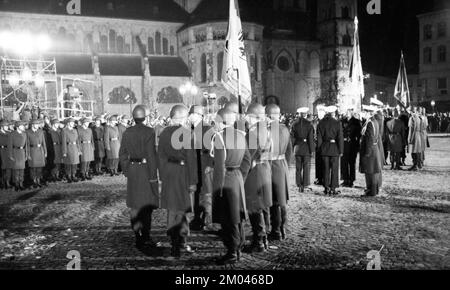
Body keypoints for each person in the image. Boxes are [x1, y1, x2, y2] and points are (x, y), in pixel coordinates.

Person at [211, 108, 250, 265]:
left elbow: (219, 166)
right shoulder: (241, 135)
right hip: (237, 178)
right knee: (237, 215)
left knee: (228, 218)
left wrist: (217, 189)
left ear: (222, 121)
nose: (215, 124)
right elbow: (247, 160)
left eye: (216, 121)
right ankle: (239, 246)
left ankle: (232, 251)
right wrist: (240, 176)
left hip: (225, 180)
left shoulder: (219, 137)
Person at [158, 105, 198, 257]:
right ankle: (181, 243)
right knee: (182, 207)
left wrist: (163, 175)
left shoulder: (163, 133)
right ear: (181, 117)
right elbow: (191, 159)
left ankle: (174, 243)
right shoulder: (186, 133)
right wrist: (193, 181)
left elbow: (160, 156)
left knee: (172, 208)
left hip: (169, 172)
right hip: (183, 173)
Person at [119, 105, 160, 250]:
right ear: (145, 117)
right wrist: (153, 175)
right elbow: (150, 155)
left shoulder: (127, 132)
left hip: (133, 170)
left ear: (133, 117)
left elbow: (122, 154)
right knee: (146, 206)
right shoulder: (149, 131)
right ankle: (146, 237)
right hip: (145, 170)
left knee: (135, 206)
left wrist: (126, 170)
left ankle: (137, 236)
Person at [242, 103, 273, 253]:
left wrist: (242, 174)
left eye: (248, 116)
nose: (246, 118)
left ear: (253, 116)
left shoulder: (254, 133)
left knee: (255, 207)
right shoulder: (265, 130)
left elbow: (249, 156)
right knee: (263, 206)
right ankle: (264, 238)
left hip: (255, 171)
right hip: (264, 169)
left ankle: (258, 241)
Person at [266, 104, 292, 241]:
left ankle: (276, 230)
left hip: (272, 166)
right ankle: (282, 228)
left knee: (274, 200)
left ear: (268, 116)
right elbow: (289, 150)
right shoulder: (285, 128)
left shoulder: (268, 130)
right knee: (282, 200)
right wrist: (286, 164)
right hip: (282, 165)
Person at [189, 105, 215, 231]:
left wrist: (210, 165)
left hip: (205, 164)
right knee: (197, 192)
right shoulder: (192, 128)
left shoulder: (207, 128)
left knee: (206, 193)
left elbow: (211, 149)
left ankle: (206, 218)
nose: (190, 117)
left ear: (199, 115)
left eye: (192, 114)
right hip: (195, 164)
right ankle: (197, 217)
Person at [317, 106, 344, 195]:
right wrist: (341, 150)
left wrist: (320, 148)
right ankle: (333, 187)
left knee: (325, 169)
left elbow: (319, 138)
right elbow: (340, 138)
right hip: (334, 148)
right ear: (333, 113)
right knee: (334, 169)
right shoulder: (337, 123)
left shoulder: (321, 123)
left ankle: (326, 187)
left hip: (324, 148)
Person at [360, 105, 382, 197]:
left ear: (368, 112)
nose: (363, 113)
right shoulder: (374, 121)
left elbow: (369, 138)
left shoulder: (370, 123)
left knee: (370, 171)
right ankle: (374, 189)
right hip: (374, 149)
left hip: (370, 150)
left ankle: (371, 190)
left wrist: (367, 152)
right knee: (373, 171)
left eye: (364, 112)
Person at [292, 107, 314, 192]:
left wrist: (294, 146)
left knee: (298, 168)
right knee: (306, 167)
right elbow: (310, 138)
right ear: (305, 114)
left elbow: (292, 138)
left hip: (297, 147)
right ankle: (305, 184)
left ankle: (299, 184)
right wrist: (312, 150)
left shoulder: (294, 124)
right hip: (306, 148)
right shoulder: (309, 124)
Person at [340, 109, 362, 187]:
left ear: (352, 113)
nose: (348, 113)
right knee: (344, 163)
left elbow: (359, 134)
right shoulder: (342, 121)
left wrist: (356, 140)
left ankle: (351, 180)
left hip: (353, 145)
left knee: (352, 163)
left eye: (350, 111)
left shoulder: (356, 121)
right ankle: (345, 179)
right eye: (347, 111)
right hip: (344, 144)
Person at [26, 119, 47, 188]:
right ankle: (34, 181)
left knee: (39, 167)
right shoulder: (28, 132)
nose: (38, 126)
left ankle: (38, 180)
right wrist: (28, 154)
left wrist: (45, 151)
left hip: (40, 150)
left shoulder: (41, 132)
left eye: (38, 124)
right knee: (33, 168)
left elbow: (43, 142)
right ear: (32, 125)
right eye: (36, 124)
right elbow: (27, 144)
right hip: (32, 151)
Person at [9, 121, 28, 191]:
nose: (23, 127)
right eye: (22, 126)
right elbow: (10, 145)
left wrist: (26, 154)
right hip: (15, 152)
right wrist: (10, 155)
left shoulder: (24, 134)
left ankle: (21, 183)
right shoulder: (12, 134)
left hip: (22, 152)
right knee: (16, 170)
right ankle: (16, 184)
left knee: (22, 169)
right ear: (18, 127)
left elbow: (26, 146)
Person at [62, 118, 81, 183]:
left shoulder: (75, 130)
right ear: (68, 123)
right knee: (68, 163)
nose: (73, 124)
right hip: (68, 147)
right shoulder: (64, 131)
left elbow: (77, 140)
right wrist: (64, 151)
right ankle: (69, 176)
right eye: (71, 122)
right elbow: (64, 142)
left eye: (73, 122)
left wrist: (79, 150)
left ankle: (73, 175)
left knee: (75, 163)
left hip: (75, 147)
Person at [407, 107, 423, 171]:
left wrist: (410, 138)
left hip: (414, 135)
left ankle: (415, 165)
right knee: (417, 151)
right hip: (418, 135)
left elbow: (412, 129)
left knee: (413, 151)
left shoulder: (412, 118)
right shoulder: (419, 118)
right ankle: (418, 164)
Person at [0, 120, 12, 189]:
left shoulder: (9, 133)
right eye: (6, 126)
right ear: (2, 127)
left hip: (8, 151)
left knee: (8, 167)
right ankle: (2, 182)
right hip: (1, 151)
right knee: (2, 167)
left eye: (7, 126)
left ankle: (7, 182)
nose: (7, 127)